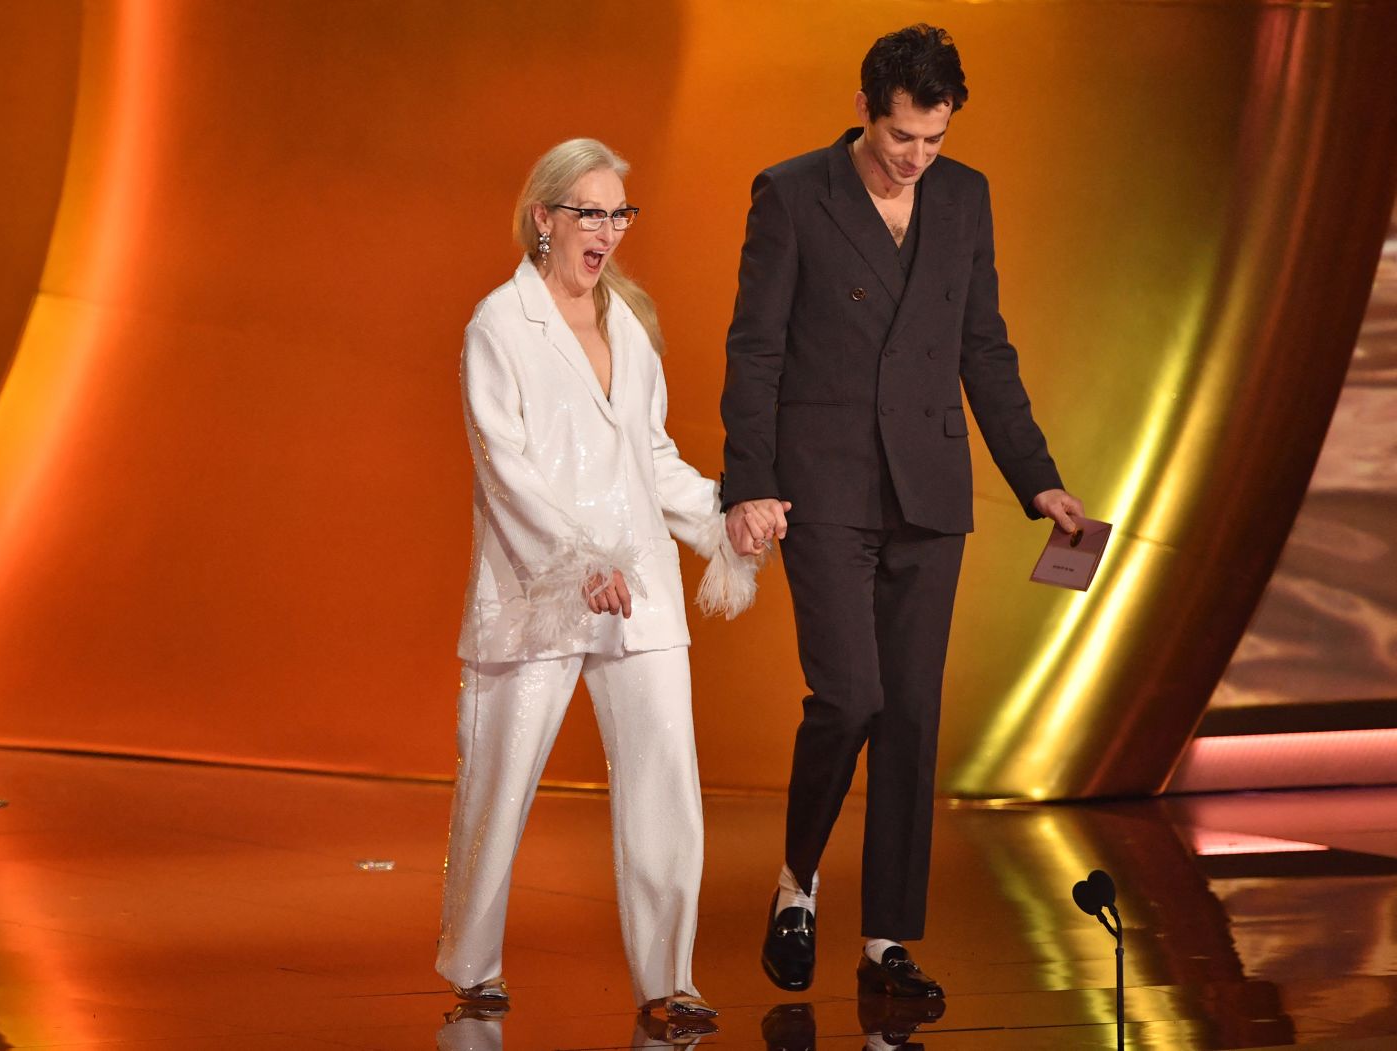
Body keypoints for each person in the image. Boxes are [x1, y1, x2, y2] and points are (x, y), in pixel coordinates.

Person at [719, 25, 1084, 998]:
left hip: (929, 490)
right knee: (850, 698)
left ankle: (885, 944)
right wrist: (747, 480)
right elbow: (753, 348)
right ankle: (797, 885)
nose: (916, 159)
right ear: (863, 111)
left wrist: (1035, 477)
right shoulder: (791, 193)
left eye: (932, 139)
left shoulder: (964, 198)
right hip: (824, 485)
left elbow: (984, 347)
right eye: (899, 140)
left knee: (913, 718)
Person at [436, 137, 758, 1018]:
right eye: (591, 211)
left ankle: (671, 980)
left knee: (665, 777)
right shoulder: (498, 325)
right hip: (538, 589)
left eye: (620, 213)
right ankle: (473, 963)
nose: (608, 230)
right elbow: (506, 469)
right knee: (499, 783)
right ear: (545, 218)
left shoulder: (628, 323)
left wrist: (720, 520)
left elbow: (649, 457)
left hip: (638, 583)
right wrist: (578, 564)